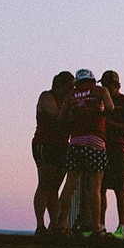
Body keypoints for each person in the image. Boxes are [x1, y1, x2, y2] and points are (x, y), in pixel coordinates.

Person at [56, 69, 114, 235]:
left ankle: (62, 225)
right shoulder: (100, 91)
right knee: (95, 186)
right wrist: (98, 113)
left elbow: (60, 119)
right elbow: (110, 108)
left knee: (70, 184)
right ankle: (96, 227)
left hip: (75, 142)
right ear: (93, 79)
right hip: (95, 141)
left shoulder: (72, 95)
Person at [32, 71, 75, 235]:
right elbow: (57, 116)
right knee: (45, 183)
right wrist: (69, 104)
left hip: (62, 145)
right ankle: (40, 225)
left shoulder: (67, 102)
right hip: (45, 143)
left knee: (55, 187)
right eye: (70, 86)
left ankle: (55, 224)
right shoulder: (46, 97)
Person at [98, 70, 124, 239]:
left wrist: (109, 124)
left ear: (117, 86)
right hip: (100, 148)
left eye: (109, 85)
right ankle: (100, 226)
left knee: (120, 189)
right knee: (100, 188)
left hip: (118, 150)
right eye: (103, 85)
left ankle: (121, 227)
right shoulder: (99, 101)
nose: (106, 88)